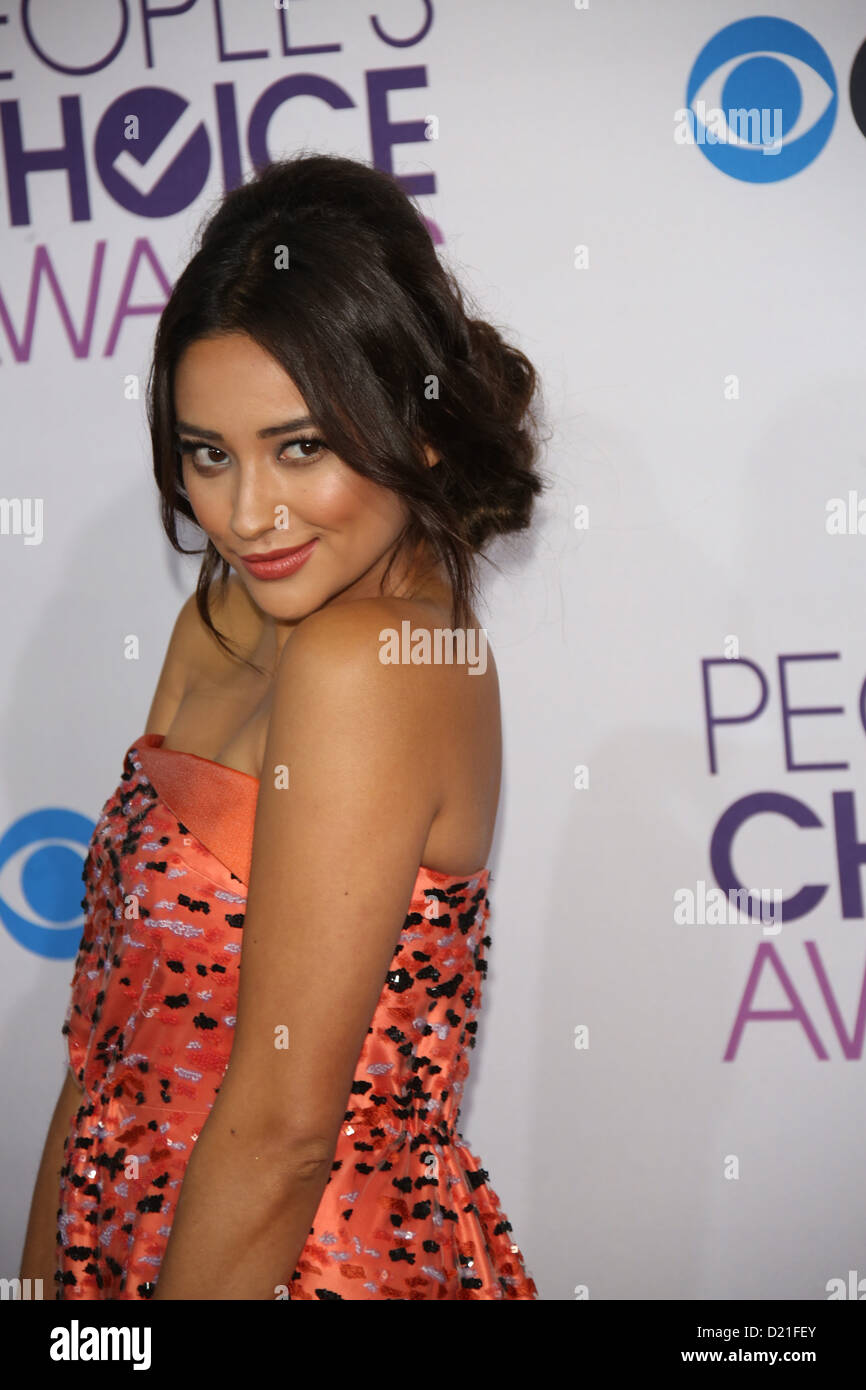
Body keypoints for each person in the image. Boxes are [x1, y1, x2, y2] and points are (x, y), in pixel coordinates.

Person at [19, 151, 548, 1300]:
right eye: (209, 453)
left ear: (414, 427)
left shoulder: (374, 661)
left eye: (298, 446)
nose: (246, 514)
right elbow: (103, 1036)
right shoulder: (223, 614)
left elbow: (280, 1137)